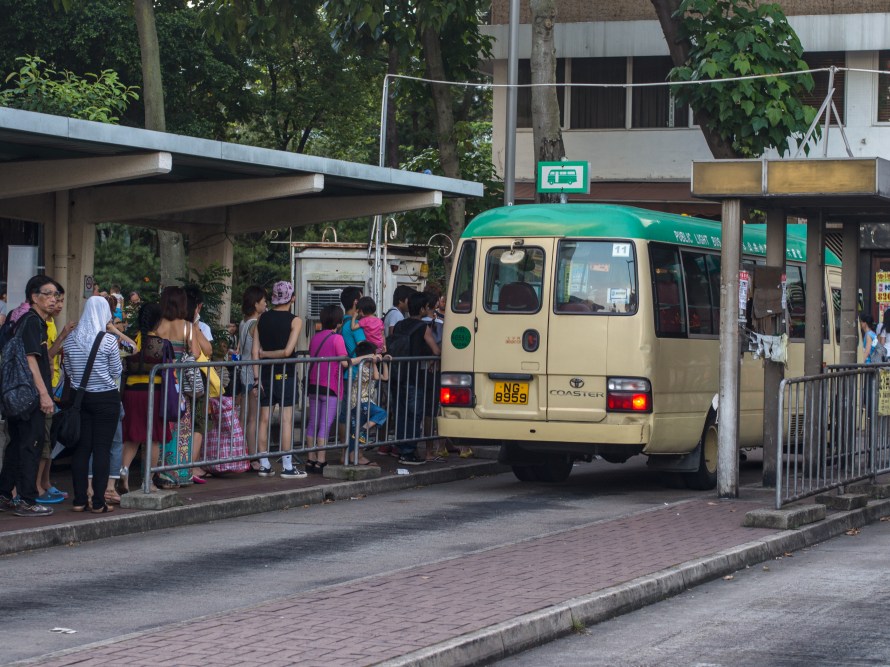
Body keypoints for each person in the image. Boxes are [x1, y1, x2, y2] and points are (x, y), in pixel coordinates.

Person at [0, 276, 58, 517]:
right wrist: (44, 394)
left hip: (16, 395)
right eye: (49, 294)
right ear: (35, 297)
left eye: (57, 295)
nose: (54, 299)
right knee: (29, 446)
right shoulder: (32, 321)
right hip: (29, 395)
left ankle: (4, 494)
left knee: (16, 445)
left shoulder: (24, 319)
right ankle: (26, 499)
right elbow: (30, 359)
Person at [63, 296, 123, 513]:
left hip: (80, 400)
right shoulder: (107, 341)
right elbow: (117, 371)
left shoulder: (70, 340)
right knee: (101, 449)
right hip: (106, 398)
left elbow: (68, 371)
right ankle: (98, 502)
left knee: (82, 448)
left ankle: (79, 500)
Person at [154, 286, 207, 486]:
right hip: (178, 386)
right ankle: (179, 472)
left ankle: (157, 470)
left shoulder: (158, 324)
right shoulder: (187, 326)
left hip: (160, 381)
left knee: (160, 427)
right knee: (180, 428)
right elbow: (194, 352)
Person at [253, 280, 305, 478]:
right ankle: (287, 466)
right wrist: (267, 354)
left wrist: (257, 379)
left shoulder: (262, 319)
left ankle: (264, 464)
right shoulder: (295, 320)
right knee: (286, 419)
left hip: (265, 374)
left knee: (264, 419)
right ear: (292, 298)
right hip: (286, 374)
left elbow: (254, 352)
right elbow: (287, 351)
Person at [35, 282, 75, 504]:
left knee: (50, 439)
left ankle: (46, 482)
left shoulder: (48, 322)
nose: (57, 304)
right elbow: (47, 355)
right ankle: (37, 486)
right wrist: (63, 336)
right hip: (46, 388)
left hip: (54, 386)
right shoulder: (42, 324)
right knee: (45, 439)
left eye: (59, 299)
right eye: (52, 298)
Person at [120, 303, 166, 492]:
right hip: (153, 393)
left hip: (131, 393)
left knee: (132, 437)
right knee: (152, 438)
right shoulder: (163, 344)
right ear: (159, 321)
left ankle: (123, 472)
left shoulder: (132, 341)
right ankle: (148, 480)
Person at [392, 291, 440, 465]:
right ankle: (409, 451)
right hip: (414, 376)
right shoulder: (422, 327)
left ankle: (400, 447)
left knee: (400, 412)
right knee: (414, 414)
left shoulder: (399, 325)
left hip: (397, 375)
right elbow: (436, 350)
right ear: (422, 309)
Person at [304, 304, 348, 473]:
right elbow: (344, 362)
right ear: (338, 322)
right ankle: (321, 460)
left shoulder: (315, 338)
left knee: (313, 422)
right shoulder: (337, 338)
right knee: (325, 423)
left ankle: (310, 458)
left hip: (314, 385)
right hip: (330, 386)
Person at [344, 340, 388, 466]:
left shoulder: (366, 367)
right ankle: (362, 434)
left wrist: (384, 361)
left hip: (363, 402)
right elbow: (375, 375)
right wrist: (375, 364)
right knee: (381, 413)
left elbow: (385, 377)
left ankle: (356, 456)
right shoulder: (362, 368)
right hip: (359, 402)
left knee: (355, 432)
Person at [239, 286, 267, 472]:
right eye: (264, 301)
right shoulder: (256, 324)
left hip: (243, 371)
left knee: (246, 416)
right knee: (253, 418)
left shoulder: (243, 322)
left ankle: (244, 453)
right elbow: (258, 351)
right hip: (253, 373)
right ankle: (253, 456)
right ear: (256, 304)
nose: (266, 304)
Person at [339, 286, 366, 357]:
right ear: (356, 302)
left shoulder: (340, 322)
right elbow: (364, 350)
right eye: (362, 300)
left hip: (344, 367)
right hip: (356, 367)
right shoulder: (355, 324)